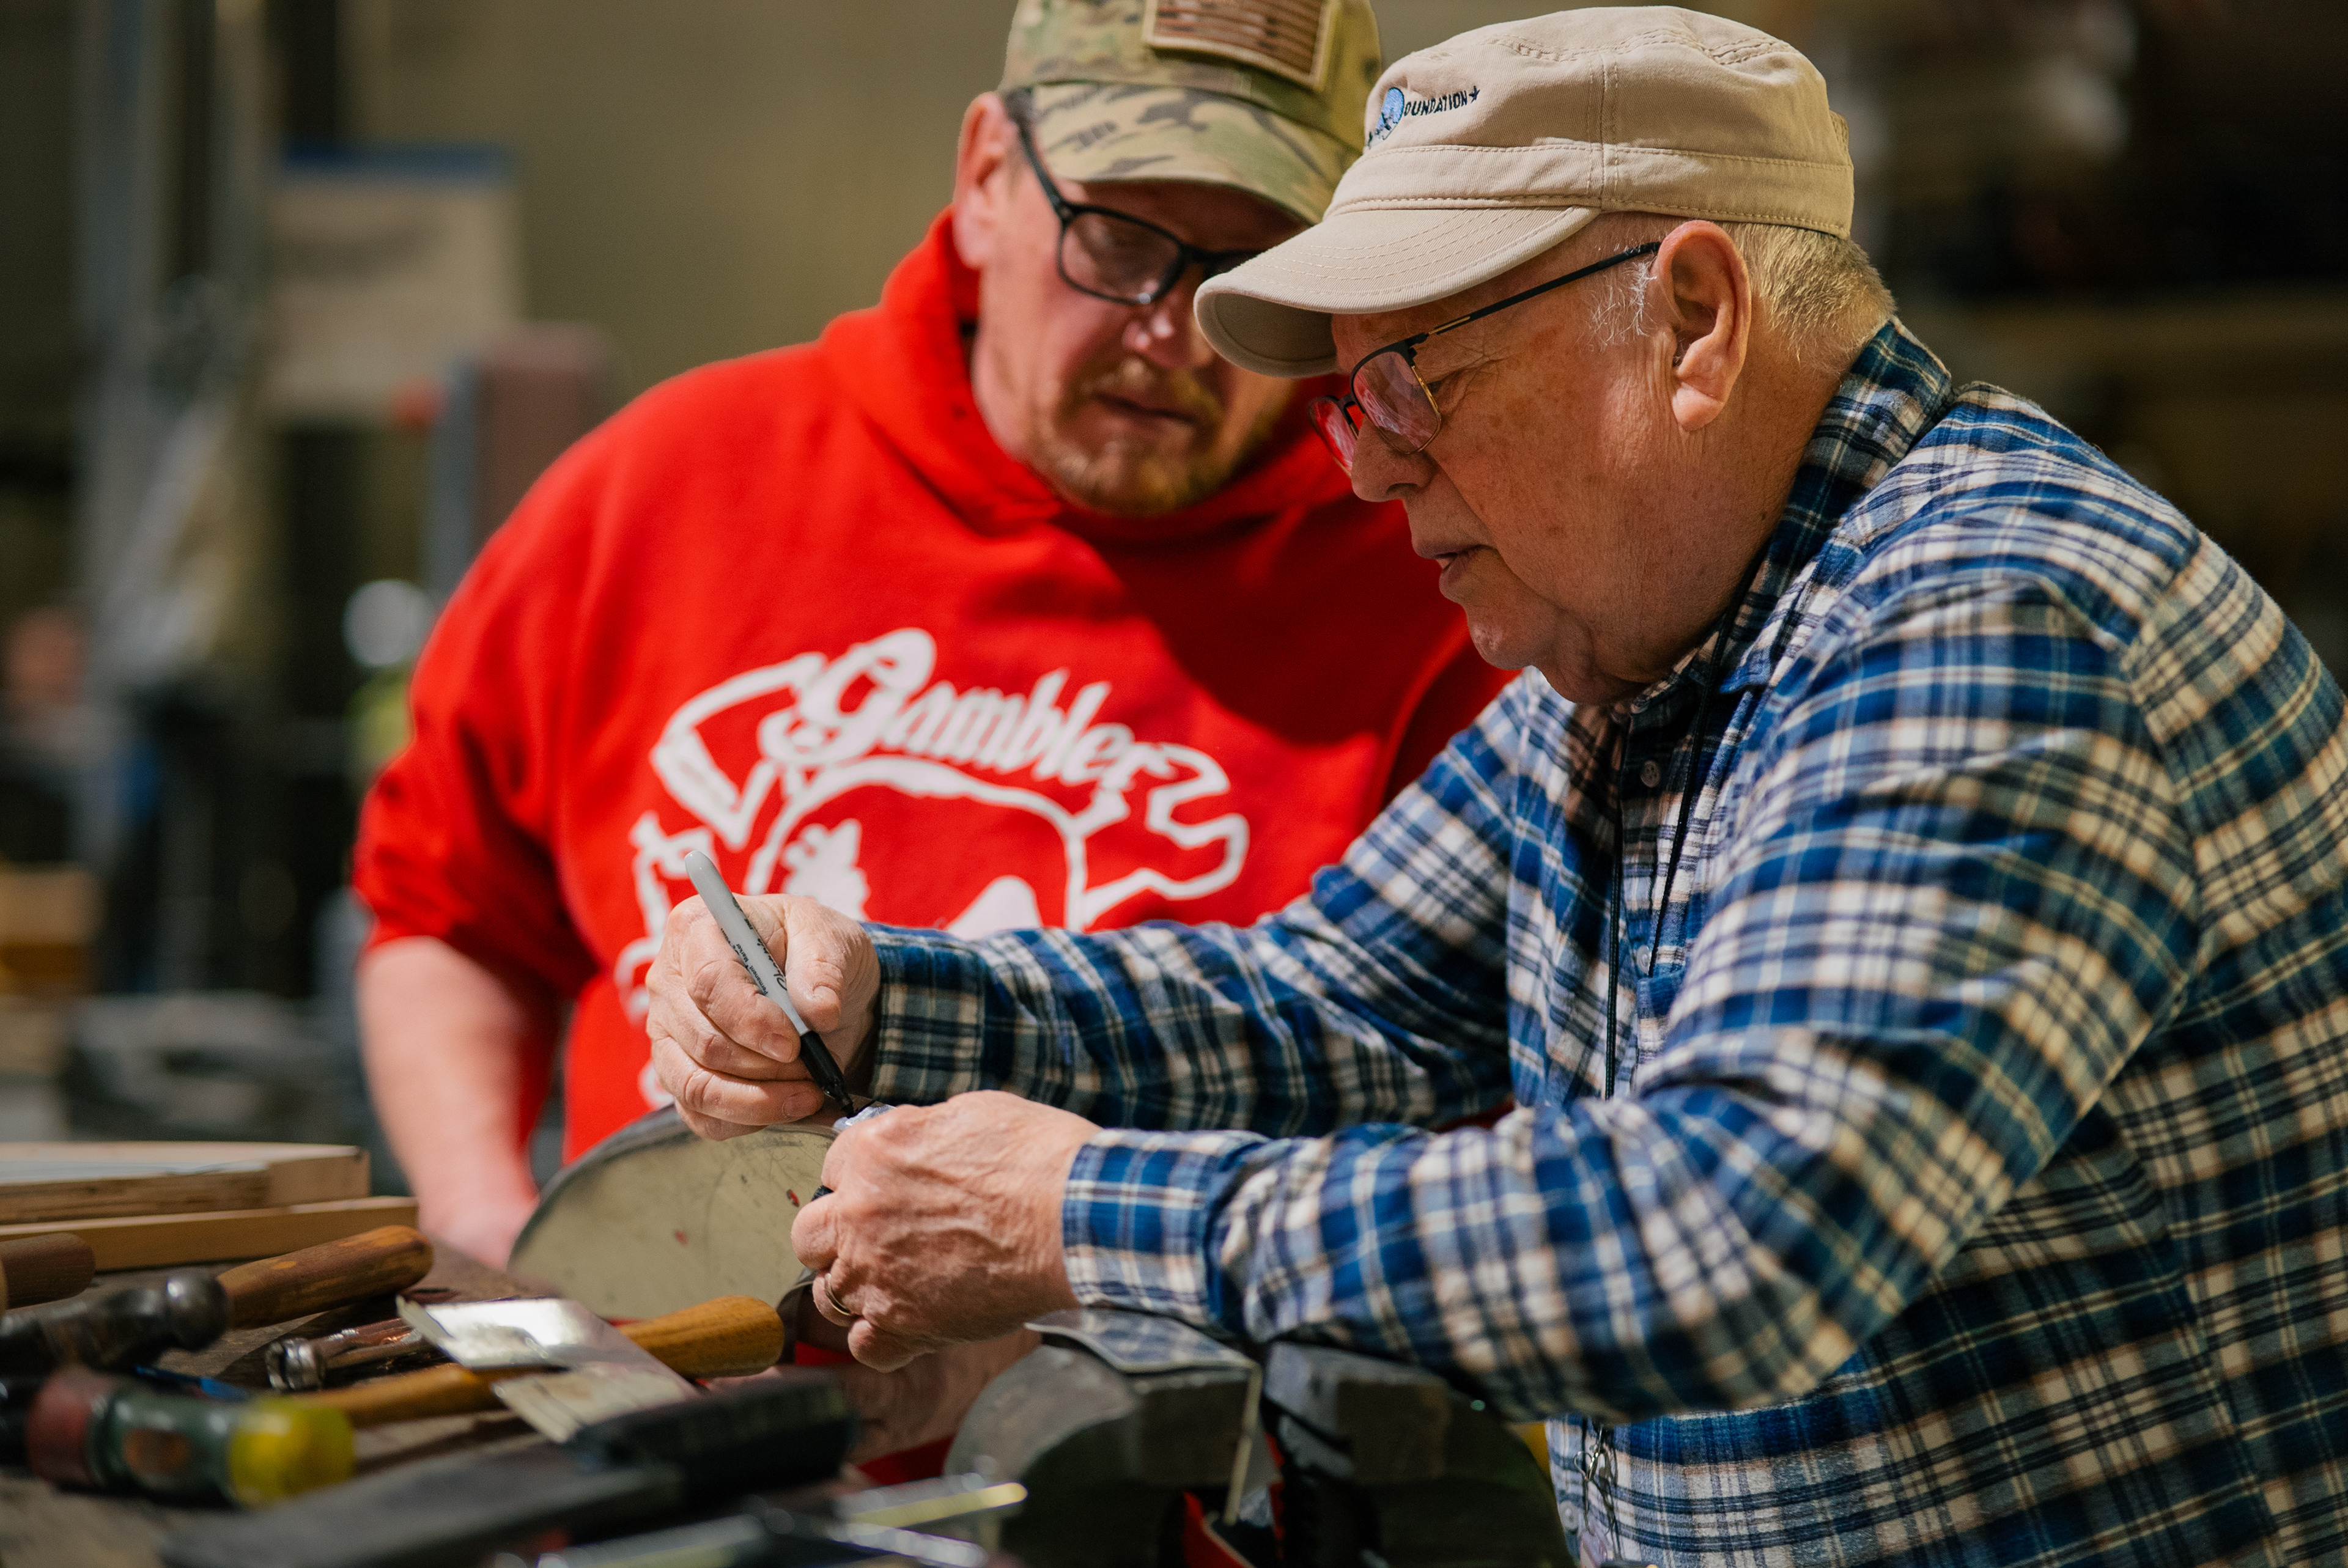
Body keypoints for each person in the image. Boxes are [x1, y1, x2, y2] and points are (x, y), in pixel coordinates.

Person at [647, 9, 2348, 1564]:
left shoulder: (1987, 620)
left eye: (1414, 380)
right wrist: (880, 997)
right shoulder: (1656, 639)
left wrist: (1072, 1212)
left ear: (1694, 320)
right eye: (1348, 399)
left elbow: (1721, 1237)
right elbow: (1337, 999)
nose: (1369, 466)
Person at [353, 0, 1510, 1269]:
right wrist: (483, 1225)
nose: (1172, 331)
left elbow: (1465, 1097)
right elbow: (446, 911)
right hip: (653, 1364)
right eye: (1120, 241)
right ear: (986, 179)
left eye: (1251, 267)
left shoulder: (1438, 583)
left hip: (1165, 1386)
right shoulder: (667, 488)